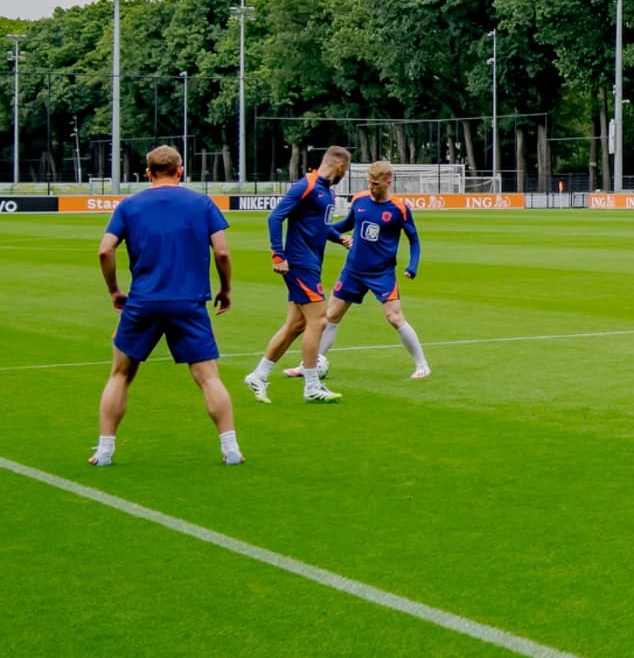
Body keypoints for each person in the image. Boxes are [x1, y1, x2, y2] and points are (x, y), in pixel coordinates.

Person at [89, 146, 243, 467]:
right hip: (188, 302)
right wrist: (226, 289)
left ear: (148, 173)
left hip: (143, 301)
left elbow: (105, 250)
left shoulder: (129, 205)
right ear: (180, 170)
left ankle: (104, 451)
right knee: (208, 377)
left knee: (120, 375)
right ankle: (230, 449)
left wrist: (114, 290)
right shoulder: (201, 203)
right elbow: (222, 252)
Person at [245, 145, 352, 403]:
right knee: (319, 321)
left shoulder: (327, 191)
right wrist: (278, 255)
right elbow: (275, 217)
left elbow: (320, 226)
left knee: (296, 325)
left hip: (311, 263)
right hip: (299, 263)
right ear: (339, 165)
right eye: (345, 170)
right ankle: (311, 386)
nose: (344, 174)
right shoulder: (306, 186)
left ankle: (258, 375)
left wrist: (338, 238)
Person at [314, 161, 429, 381]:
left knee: (394, 317)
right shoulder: (360, 199)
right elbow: (346, 224)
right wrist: (323, 230)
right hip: (353, 270)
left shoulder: (399, 208)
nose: (371, 187)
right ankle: (312, 364)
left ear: (388, 182)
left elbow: (414, 239)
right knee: (331, 316)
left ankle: (422, 364)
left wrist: (412, 266)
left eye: (375, 183)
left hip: (381, 273)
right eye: (369, 182)